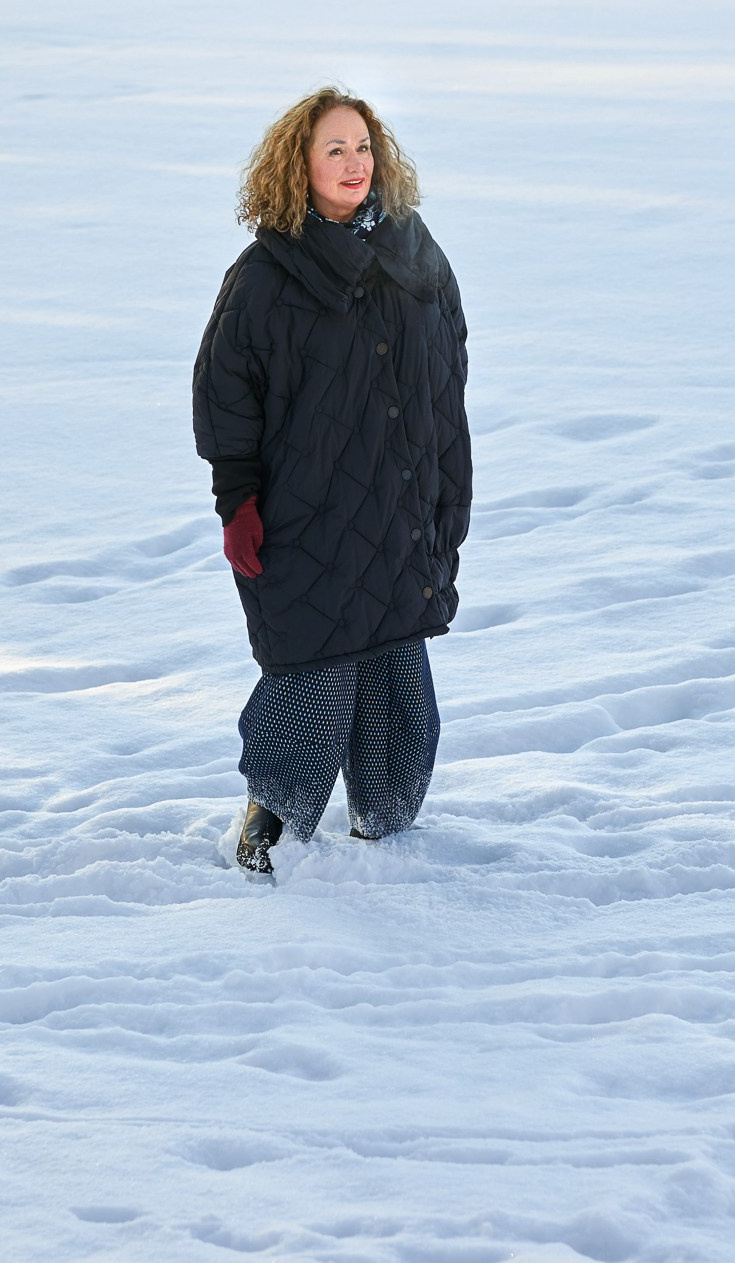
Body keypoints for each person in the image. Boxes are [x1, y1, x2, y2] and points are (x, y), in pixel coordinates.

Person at [192, 87, 472, 879]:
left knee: (399, 686)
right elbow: (224, 393)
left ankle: (387, 825)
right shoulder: (265, 276)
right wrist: (236, 499)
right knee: (314, 669)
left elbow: (447, 377)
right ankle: (268, 831)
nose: (354, 164)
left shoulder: (417, 255)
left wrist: (449, 487)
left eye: (362, 147)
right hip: (308, 513)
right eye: (334, 150)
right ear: (300, 166)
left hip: (405, 501)